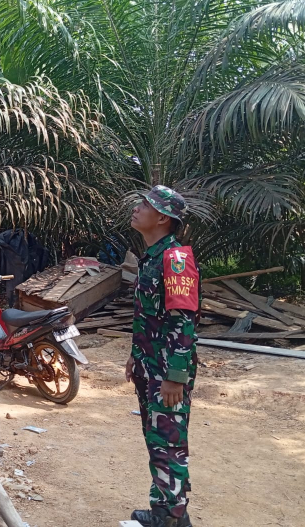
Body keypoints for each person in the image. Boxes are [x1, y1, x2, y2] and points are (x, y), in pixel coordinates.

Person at [126, 185, 199, 527]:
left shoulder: (175, 258)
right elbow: (147, 317)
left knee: (169, 444)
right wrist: (134, 355)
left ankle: (173, 519)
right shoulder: (152, 256)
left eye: (145, 205)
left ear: (162, 218)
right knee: (157, 440)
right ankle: (163, 510)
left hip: (166, 373)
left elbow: (184, 322)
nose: (137, 208)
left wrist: (176, 377)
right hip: (149, 366)